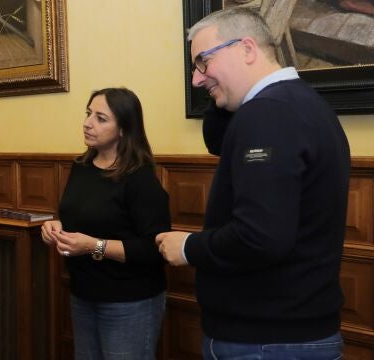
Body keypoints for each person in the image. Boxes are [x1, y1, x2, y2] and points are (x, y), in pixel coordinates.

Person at [156, 7, 351, 359]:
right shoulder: (297, 104)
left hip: (265, 340)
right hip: (291, 332)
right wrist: (223, 87)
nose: (197, 79)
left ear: (247, 49)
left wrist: (188, 247)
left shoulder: (268, 113)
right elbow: (219, 141)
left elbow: (260, 237)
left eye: (203, 61)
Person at [41, 87, 170, 360]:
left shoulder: (140, 179)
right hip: (83, 294)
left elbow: (153, 249)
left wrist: (93, 247)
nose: (88, 123)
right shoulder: (82, 167)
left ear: (123, 129)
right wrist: (55, 227)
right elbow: (80, 217)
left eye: (101, 118)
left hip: (129, 301)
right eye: (88, 114)